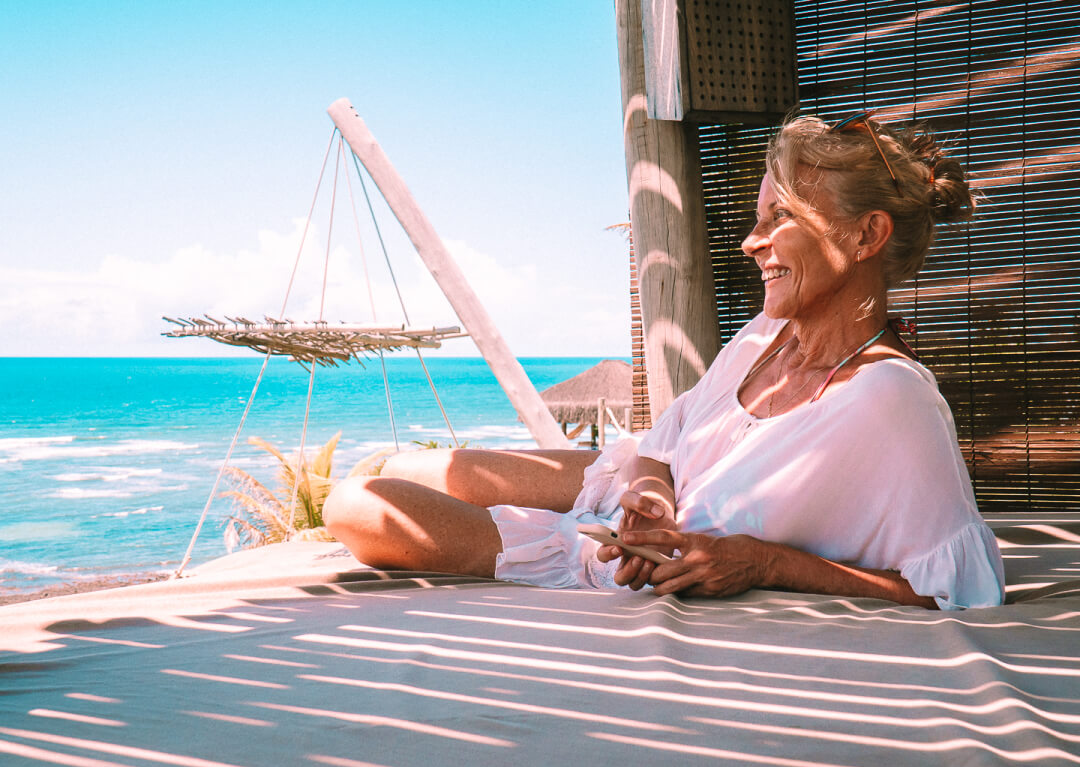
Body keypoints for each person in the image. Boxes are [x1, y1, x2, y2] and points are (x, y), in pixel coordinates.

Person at [323, 113, 1005, 610]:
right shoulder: (763, 336)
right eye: (758, 219)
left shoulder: (889, 400)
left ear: (866, 235)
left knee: (356, 503)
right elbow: (663, 447)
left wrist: (765, 563)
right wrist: (650, 491)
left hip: (605, 550)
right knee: (405, 466)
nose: (750, 242)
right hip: (630, 490)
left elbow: (956, 589)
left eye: (779, 219)